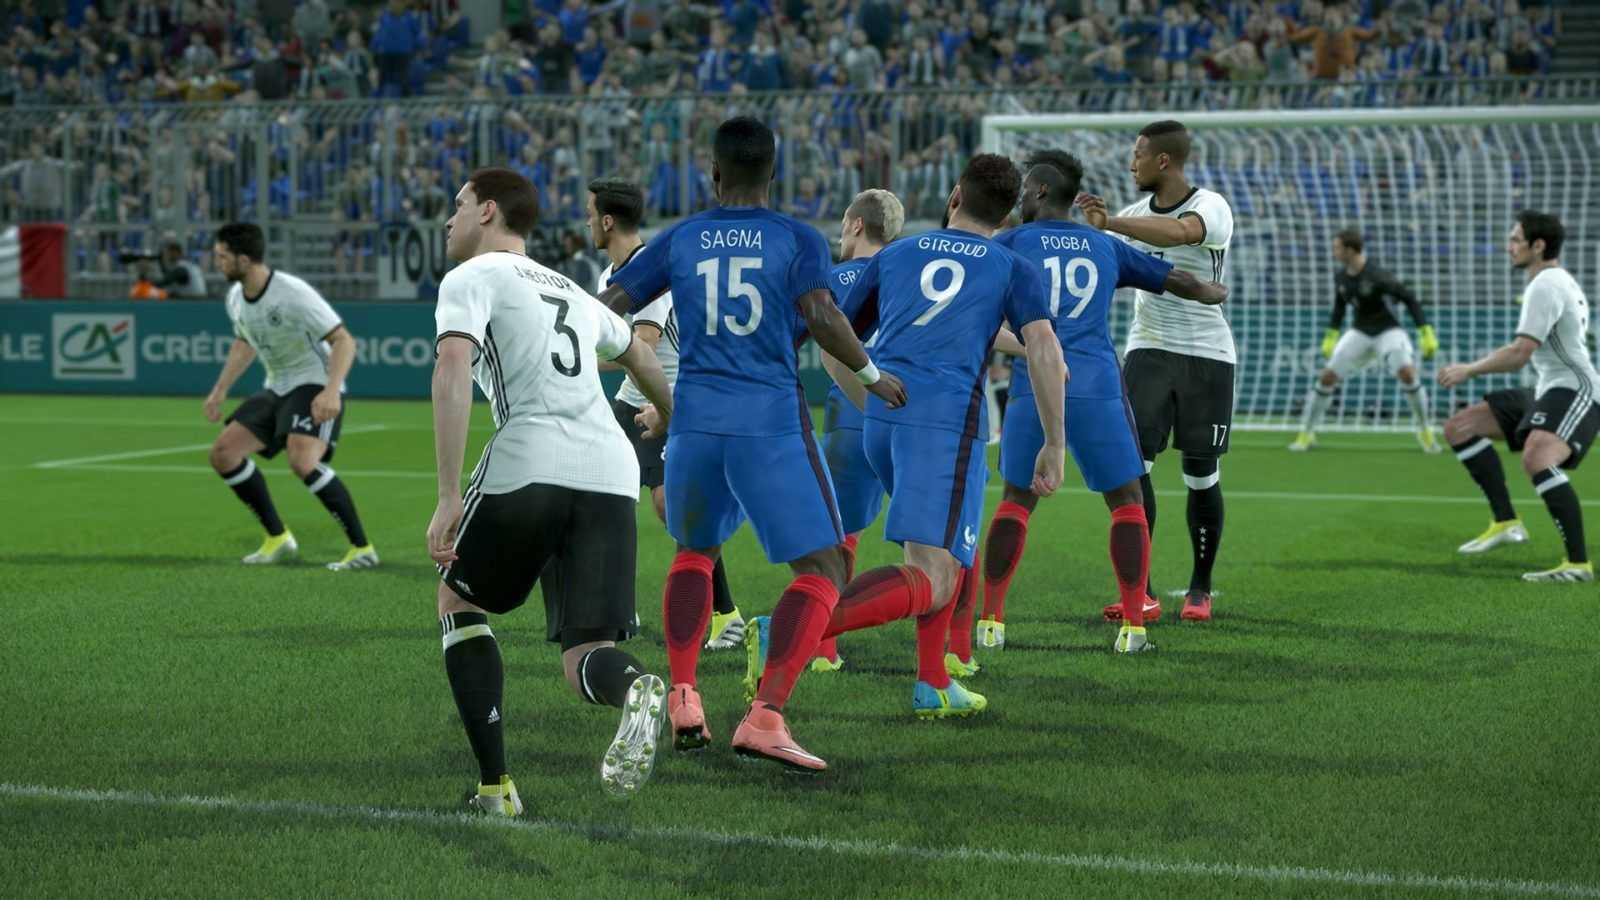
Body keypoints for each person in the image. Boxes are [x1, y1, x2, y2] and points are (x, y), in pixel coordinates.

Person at [594, 117, 905, 774]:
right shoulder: (797, 237)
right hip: (768, 423)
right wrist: (873, 376)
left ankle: (684, 696)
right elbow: (821, 315)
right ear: (773, 172)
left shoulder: (682, 237)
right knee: (825, 569)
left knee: (695, 552)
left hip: (695, 423)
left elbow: (611, 302)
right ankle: (765, 717)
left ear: (714, 173)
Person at [755, 154, 1067, 740]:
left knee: (945, 554)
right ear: (1006, 216)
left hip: (888, 419)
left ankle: (933, 681)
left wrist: (868, 399)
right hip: (946, 428)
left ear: (954, 197)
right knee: (935, 573)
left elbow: (833, 338)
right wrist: (1054, 441)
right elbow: (1046, 349)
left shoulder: (897, 254)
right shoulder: (1011, 265)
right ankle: (789, 630)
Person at [428, 167, 677, 812]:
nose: (449, 220)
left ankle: (495, 790)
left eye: (458, 206)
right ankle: (635, 688)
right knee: (585, 655)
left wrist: (449, 494)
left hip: (531, 456)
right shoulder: (569, 288)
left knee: (458, 599)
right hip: (611, 470)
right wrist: (669, 417)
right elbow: (639, 353)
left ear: (488, 211)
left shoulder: (471, 277)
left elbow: (452, 366)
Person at [983, 150, 1228, 655]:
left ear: (1042, 191)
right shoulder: (1103, 245)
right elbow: (1171, 278)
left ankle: (991, 623)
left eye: (1027, 187)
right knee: (1126, 502)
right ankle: (1134, 629)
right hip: (1096, 385)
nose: (1021, 195)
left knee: (1017, 499)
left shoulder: (1008, 244)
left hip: (1034, 383)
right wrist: (1206, 290)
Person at [1076, 120, 1235, 625]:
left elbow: (1183, 232)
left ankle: (1200, 588)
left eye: (1138, 155)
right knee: (1133, 468)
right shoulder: (1128, 217)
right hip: (1148, 350)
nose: (1131, 165)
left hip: (1207, 353)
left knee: (1200, 474)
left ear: (1163, 160)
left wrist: (1111, 225)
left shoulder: (1211, 205)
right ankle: (1139, 590)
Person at [585, 177, 746, 652]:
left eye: (590, 214)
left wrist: (579, 356)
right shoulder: (610, 275)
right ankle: (616, 607)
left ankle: (726, 615)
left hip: (666, 400)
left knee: (670, 507)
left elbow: (645, 346)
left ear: (607, 221)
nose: (586, 222)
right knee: (595, 496)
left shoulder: (648, 272)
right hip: (631, 400)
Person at [203, 222, 377, 571]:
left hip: (314, 381)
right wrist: (220, 390)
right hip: (278, 385)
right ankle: (278, 539)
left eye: (222, 257)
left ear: (244, 259)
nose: (216, 263)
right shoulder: (235, 297)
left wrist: (332, 391)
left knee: (302, 460)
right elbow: (244, 343)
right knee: (223, 454)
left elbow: (343, 340)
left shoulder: (292, 293)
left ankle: (362, 549)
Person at [1439, 211, 1597, 582]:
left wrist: (1469, 369)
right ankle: (1506, 522)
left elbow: (1519, 353)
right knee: (1460, 427)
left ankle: (1577, 565)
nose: (1508, 246)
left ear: (1537, 245)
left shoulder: (1545, 285)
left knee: (1538, 457)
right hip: (1548, 387)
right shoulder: (1551, 281)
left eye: (1515, 239)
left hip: (1575, 388)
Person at [812, 188, 906, 673]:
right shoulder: (906, 274)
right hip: (905, 408)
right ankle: (951, 653)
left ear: (855, 224)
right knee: (933, 542)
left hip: (852, 410)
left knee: (839, 536)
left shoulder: (827, 278)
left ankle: (822, 645)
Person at [1290, 228, 1440, 452]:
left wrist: (1425, 331)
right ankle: (1306, 433)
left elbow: (1409, 298)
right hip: (1360, 331)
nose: (1334, 251)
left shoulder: (1377, 275)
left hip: (1388, 330)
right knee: (1327, 377)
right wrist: (1331, 335)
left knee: (1408, 374)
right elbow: (1339, 307)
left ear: (1350, 250)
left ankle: (1425, 431)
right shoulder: (1341, 277)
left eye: (1337, 248)